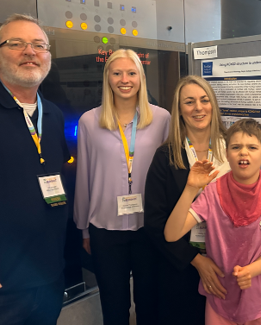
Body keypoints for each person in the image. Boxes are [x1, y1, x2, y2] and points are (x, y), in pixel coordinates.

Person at [144, 75, 261, 325]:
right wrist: (197, 261)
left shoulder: (234, 145)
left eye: (204, 100)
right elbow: (155, 222)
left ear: (213, 104)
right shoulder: (167, 155)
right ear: (179, 110)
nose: (198, 107)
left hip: (238, 266)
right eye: (189, 102)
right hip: (183, 264)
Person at [0, 14, 70, 325]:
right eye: (16, 44)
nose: (29, 52)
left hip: (48, 281)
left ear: (48, 56)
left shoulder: (55, 115)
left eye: (38, 45)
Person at [74, 49, 170, 325]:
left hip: (149, 227)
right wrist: (83, 228)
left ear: (141, 77)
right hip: (104, 229)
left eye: (131, 73)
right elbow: (84, 178)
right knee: (114, 307)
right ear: (108, 78)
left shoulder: (162, 119)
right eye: (117, 73)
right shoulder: (89, 122)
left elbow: (169, 175)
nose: (124, 79)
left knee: (150, 304)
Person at [165, 118, 261, 324]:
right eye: (236, 147)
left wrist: (251, 271)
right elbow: (171, 234)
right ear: (226, 155)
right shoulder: (213, 192)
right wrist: (191, 189)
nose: (243, 152)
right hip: (221, 295)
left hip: (260, 299)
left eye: (252, 147)